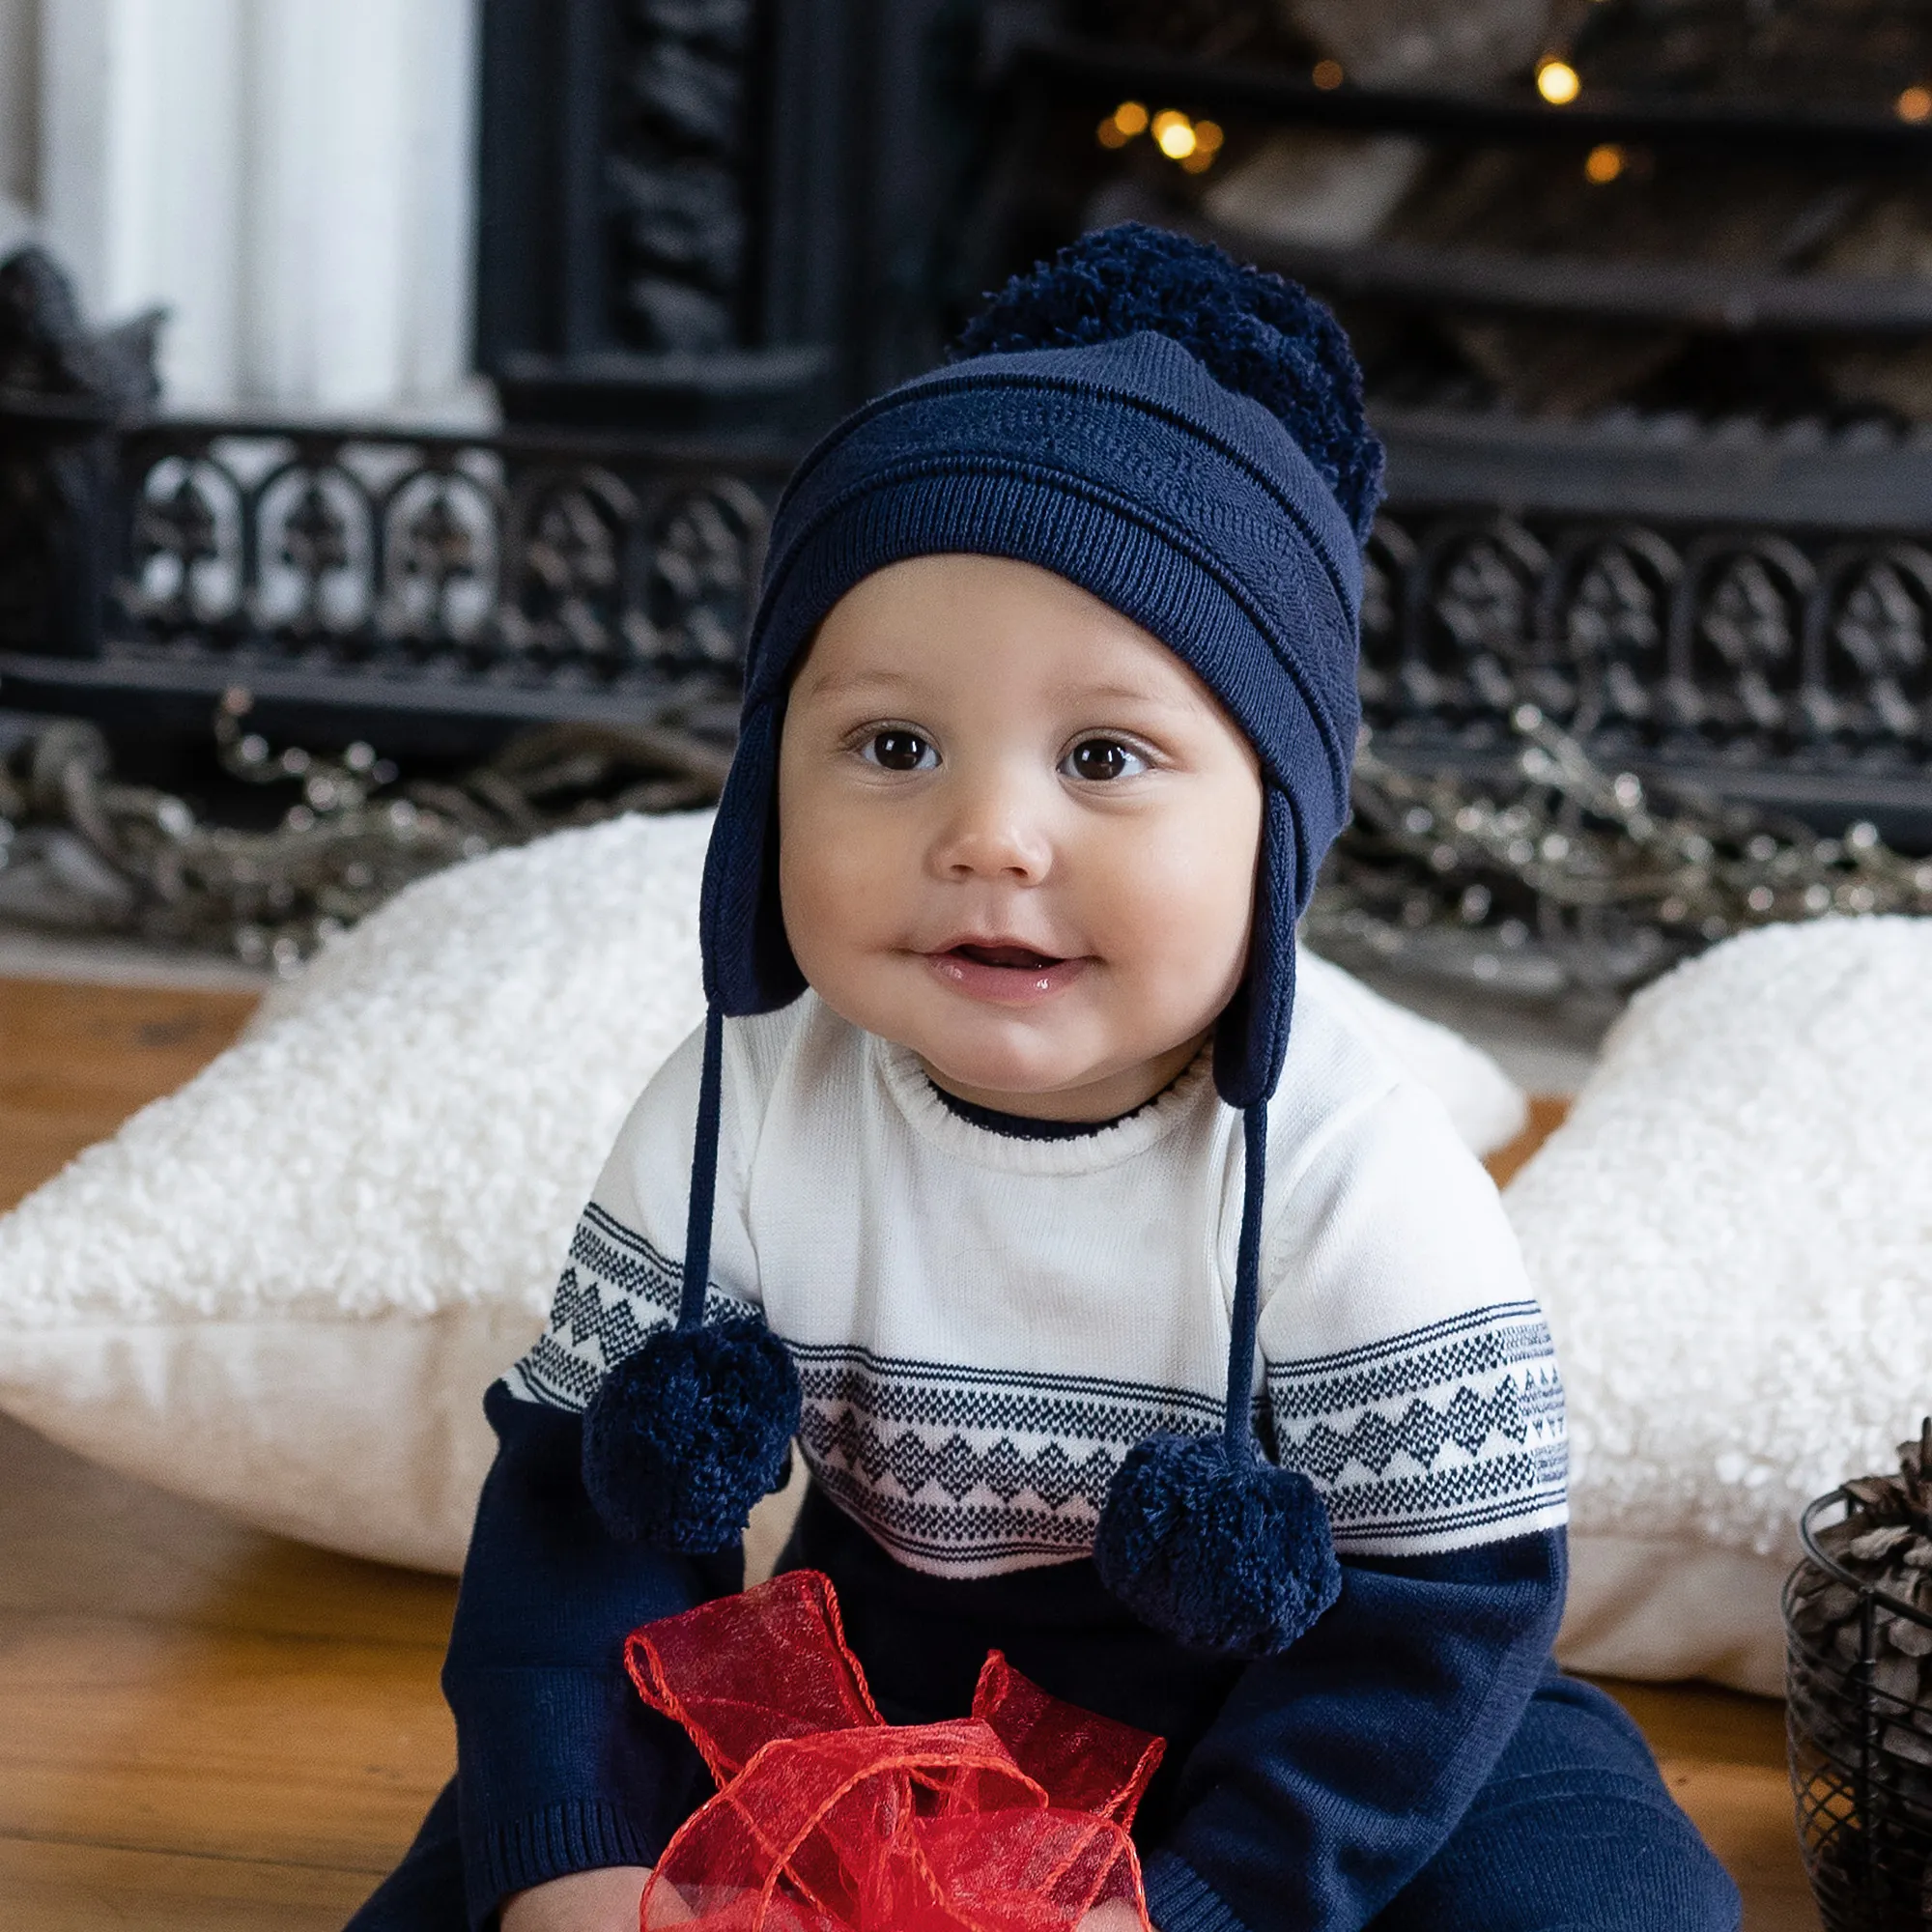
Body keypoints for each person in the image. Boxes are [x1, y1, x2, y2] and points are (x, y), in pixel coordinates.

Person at [347, 225, 1741, 1932]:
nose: (988, 836)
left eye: (1104, 757)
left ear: (1274, 831)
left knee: (1601, 1897)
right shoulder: (750, 1106)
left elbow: (1438, 1623)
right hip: (892, 1702)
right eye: (892, 747)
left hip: (1320, 1738)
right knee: (490, 1880)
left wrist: (1193, 1904)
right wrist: (581, 1859)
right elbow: (586, 1525)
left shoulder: (1347, 1175)